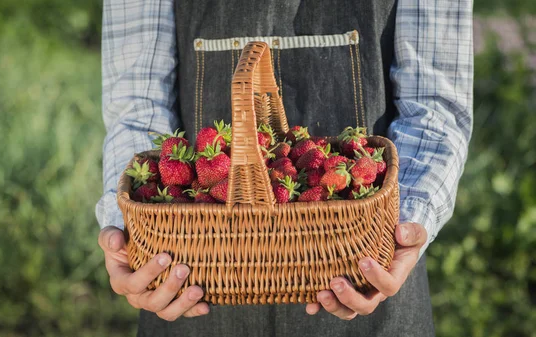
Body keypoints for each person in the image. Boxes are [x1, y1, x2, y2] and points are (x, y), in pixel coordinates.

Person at [95, 0, 473, 336]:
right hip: (191, 273)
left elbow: (434, 105)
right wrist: (132, 234)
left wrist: (403, 228)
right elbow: (137, 105)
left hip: (368, 267)